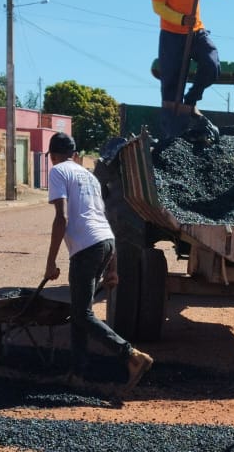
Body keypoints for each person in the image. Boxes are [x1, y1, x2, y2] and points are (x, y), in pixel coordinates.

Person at [43, 132, 153, 393]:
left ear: (54, 156)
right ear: (75, 154)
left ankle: (132, 356)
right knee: (81, 312)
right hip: (106, 242)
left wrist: (50, 262)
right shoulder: (89, 176)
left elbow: (62, 219)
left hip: (86, 248)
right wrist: (112, 268)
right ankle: (77, 374)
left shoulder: (59, 172)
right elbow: (101, 219)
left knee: (82, 314)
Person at [152, 0, 224, 139]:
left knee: (211, 65)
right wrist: (182, 19)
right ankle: (172, 136)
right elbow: (158, 6)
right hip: (171, 35)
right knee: (171, 87)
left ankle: (190, 101)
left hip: (196, 31)